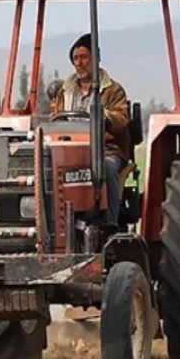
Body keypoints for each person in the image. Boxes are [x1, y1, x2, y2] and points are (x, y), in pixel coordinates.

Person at [48, 33, 132, 226]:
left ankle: (111, 223)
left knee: (107, 166)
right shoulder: (65, 92)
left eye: (84, 57)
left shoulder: (113, 90)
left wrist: (105, 117)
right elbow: (57, 118)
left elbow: (121, 119)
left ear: (95, 58)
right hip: (73, 150)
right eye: (75, 59)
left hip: (107, 149)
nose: (79, 63)